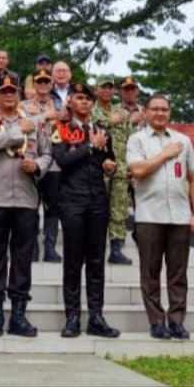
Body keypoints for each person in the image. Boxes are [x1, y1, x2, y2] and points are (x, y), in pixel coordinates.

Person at [0, 74, 51, 337]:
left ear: (18, 94)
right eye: (4, 91)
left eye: (13, 91)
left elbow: (47, 154)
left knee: (22, 259)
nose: (8, 95)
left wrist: (38, 166)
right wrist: (20, 131)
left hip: (26, 199)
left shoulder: (35, 123)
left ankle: (18, 315)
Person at [126, 94, 194, 341]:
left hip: (180, 215)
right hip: (149, 214)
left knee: (178, 272)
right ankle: (156, 321)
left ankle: (177, 320)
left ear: (170, 113)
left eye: (164, 109)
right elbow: (137, 170)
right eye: (155, 109)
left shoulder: (184, 140)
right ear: (145, 112)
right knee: (150, 271)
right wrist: (165, 155)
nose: (160, 113)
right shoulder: (137, 140)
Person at [52, 83, 119, 339]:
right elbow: (63, 160)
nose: (85, 103)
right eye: (79, 98)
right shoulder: (61, 129)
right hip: (72, 201)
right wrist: (90, 146)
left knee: (96, 261)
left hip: (98, 201)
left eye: (88, 99)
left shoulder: (102, 130)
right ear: (69, 101)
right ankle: (72, 317)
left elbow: (108, 159)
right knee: (72, 261)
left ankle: (96, 316)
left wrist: (109, 165)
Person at [23, 69, 64, 263]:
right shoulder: (24, 106)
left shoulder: (61, 107)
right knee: (31, 205)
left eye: (46, 81)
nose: (42, 85)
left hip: (54, 163)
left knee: (52, 206)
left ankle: (50, 248)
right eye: (38, 81)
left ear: (51, 84)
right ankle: (31, 248)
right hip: (31, 160)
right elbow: (23, 125)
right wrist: (43, 117)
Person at [92, 78, 133, 266]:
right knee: (98, 209)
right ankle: (95, 247)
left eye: (110, 88)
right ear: (96, 90)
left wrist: (132, 167)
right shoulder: (91, 111)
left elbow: (130, 141)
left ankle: (116, 249)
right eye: (104, 87)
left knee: (119, 209)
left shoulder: (122, 113)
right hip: (98, 167)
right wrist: (109, 121)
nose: (108, 91)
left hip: (121, 168)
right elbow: (89, 132)